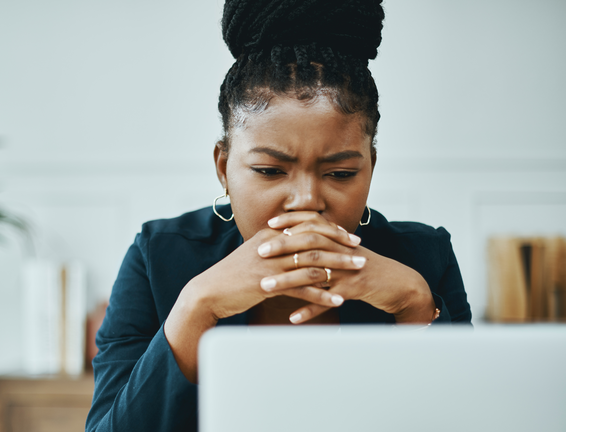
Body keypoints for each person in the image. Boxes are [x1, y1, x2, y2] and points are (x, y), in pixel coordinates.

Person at [85, 1, 472, 431]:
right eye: (270, 171)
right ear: (223, 168)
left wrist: (415, 307)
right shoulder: (157, 257)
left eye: (340, 173)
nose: (306, 201)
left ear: (371, 169)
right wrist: (197, 307)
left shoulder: (424, 258)